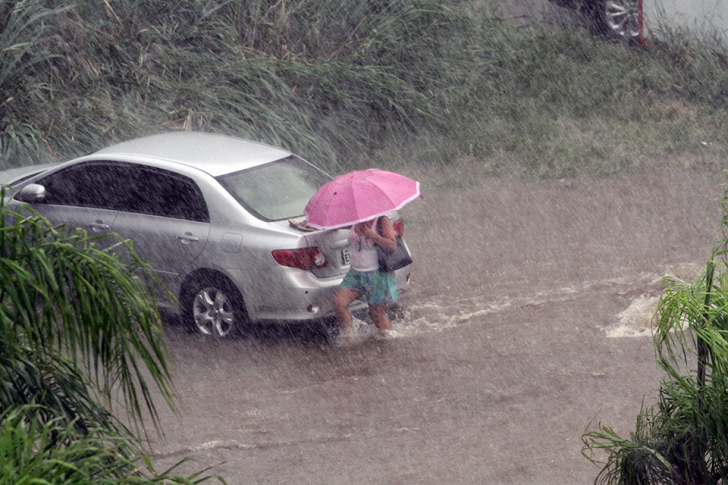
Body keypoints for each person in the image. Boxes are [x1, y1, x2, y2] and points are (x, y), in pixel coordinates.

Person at [333, 216, 398, 343]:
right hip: (355, 274)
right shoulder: (354, 219)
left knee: (377, 315)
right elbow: (333, 224)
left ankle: (390, 346)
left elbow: (392, 245)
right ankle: (350, 339)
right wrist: (309, 225)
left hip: (377, 274)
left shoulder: (381, 220)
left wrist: (371, 235)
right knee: (339, 303)